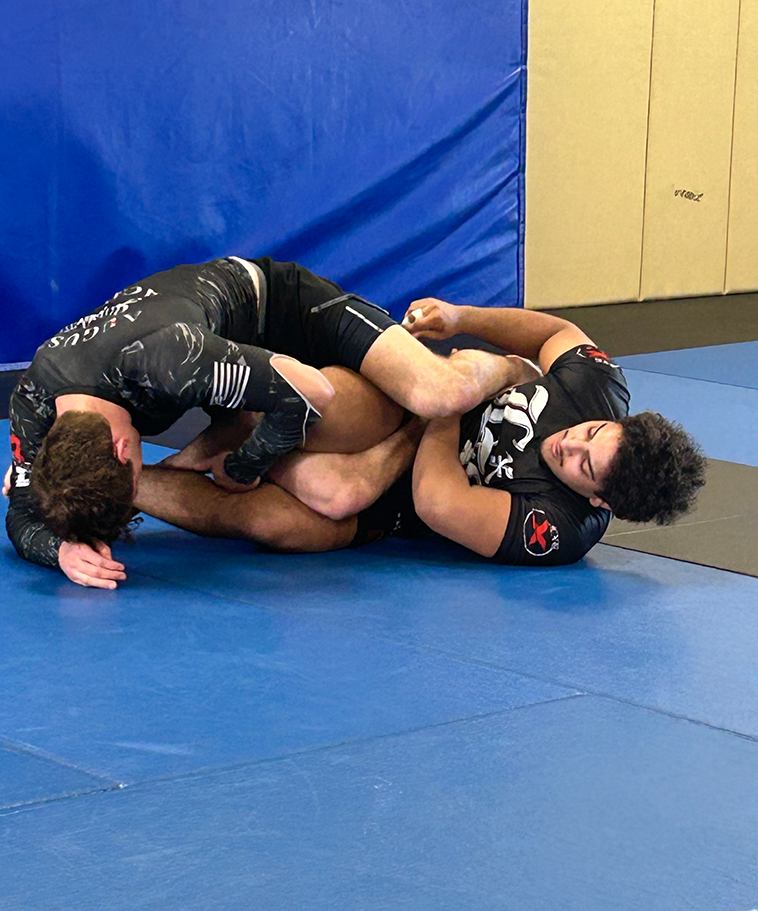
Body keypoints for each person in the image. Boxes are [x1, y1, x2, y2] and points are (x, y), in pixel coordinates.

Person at [5, 257, 516, 587]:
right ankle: (228, 436)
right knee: (332, 494)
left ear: (122, 449)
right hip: (237, 376)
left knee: (442, 393)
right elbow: (23, 514)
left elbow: (310, 392)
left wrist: (249, 464)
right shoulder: (34, 401)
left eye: (133, 476)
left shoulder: (168, 361)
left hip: (287, 312)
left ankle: (515, 366)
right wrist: (61, 550)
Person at [135, 300, 707, 567]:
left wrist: (441, 415)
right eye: (592, 433)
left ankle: (123, 482)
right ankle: (179, 386)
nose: (569, 444)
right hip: (408, 405)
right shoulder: (600, 386)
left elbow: (438, 501)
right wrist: (462, 319)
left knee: (282, 516)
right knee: (315, 420)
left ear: (598, 499)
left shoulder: (557, 529)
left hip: (403, 498)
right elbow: (557, 330)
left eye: (583, 465)